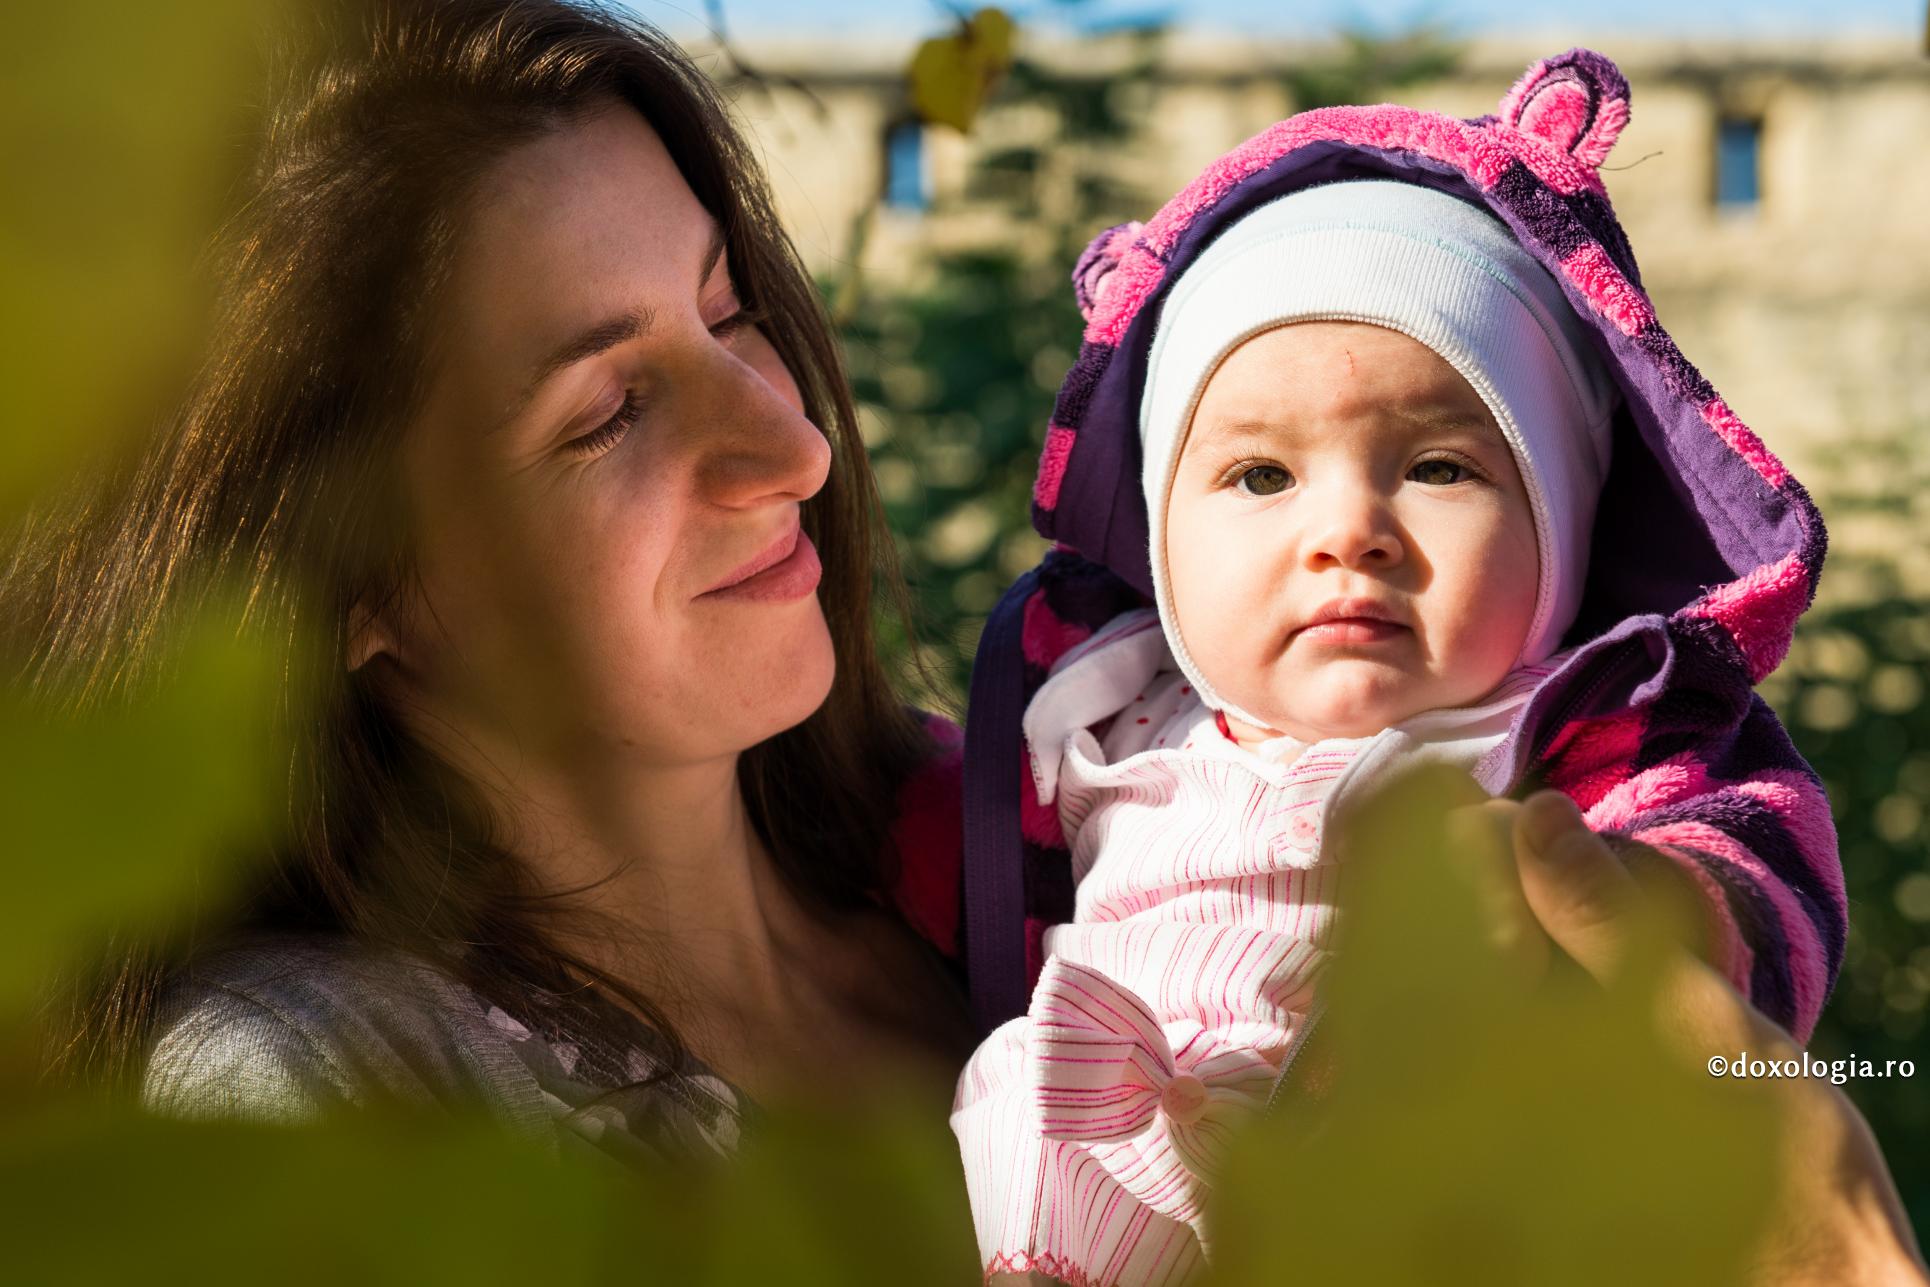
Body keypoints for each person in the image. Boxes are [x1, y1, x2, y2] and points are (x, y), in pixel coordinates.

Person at [6, 0, 976, 1166]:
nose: (795, 448)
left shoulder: (1064, 844)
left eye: (728, 313)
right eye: (608, 415)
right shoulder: (328, 1104)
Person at [953, 51, 1847, 1284]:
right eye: (1259, 478)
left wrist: (1636, 911)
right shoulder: (1094, 721)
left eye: (1436, 468)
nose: (1346, 532)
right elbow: (901, 899)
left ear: (1562, 533)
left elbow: (1754, 865)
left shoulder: (1581, 738)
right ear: (1162, 545)